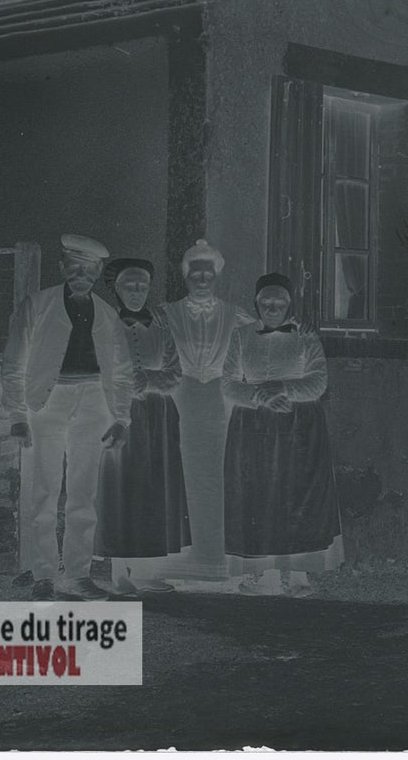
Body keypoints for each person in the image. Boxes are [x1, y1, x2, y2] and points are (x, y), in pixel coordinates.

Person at [2, 234, 134, 601]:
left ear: (97, 273)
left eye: (90, 269)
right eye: (74, 265)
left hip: (94, 402)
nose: (82, 274)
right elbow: (14, 362)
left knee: (83, 493)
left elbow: (123, 371)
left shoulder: (108, 315)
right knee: (44, 489)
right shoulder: (37, 305)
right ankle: (44, 574)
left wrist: (121, 418)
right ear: (62, 267)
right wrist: (17, 414)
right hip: (47, 402)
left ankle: (78, 574)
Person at [222, 272, 343, 597]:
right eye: (265, 301)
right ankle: (260, 575)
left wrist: (284, 388)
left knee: (297, 498)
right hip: (254, 428)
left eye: (279, 302)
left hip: (298, 428)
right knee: (258, 498)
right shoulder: (241, 336)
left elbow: (319, 381)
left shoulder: (306, 337)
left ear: (290, 304)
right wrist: (259, 395)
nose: (272, 307)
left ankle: (299, 574)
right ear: (256, 303)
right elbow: (229, 381)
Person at [160, 239, 256, 583]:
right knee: (179, 477)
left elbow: (264, 337)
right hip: (179, 401)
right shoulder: (167, 313)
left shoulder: (236, 315)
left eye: (208, 273)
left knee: (216, 479)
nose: (202, 280)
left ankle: (217, 567)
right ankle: (177, 569)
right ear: (186, 276)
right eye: (195, 273)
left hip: (219, 403)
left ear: (216, 276)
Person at [93, 258, 189, 595]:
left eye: (143, 286)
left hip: (157, 415)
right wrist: (120, 386)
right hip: (118, 414)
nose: (136, 292)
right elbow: (99, 367)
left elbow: (174, 372)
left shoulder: (159, 326)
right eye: (129, 286)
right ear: (116, 289)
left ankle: (147, 569)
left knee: (153, 489)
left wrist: (146, 379)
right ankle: (119, 569)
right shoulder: (104, 324)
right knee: (122, 488)